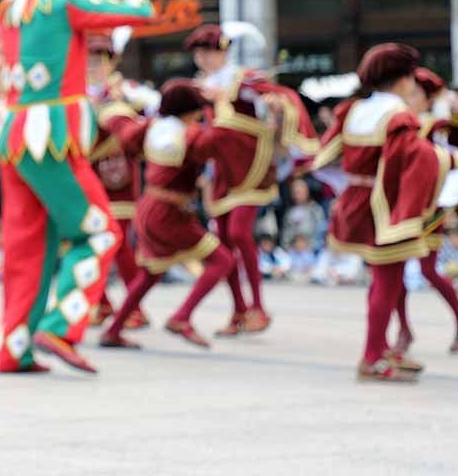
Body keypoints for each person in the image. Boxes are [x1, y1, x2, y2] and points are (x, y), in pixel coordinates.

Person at [0, 0, 152, 374]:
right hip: (52, 136)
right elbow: (136, 17)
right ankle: (59, 327)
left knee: (27, 245)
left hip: (13, 134)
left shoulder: (8, 6)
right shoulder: (63, 0)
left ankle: (13, 348)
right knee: (99, 232)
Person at [325, 44, 458, 383]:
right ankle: (373, 357)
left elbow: (326, 155)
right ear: (404, 79)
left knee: (384, 281)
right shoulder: (398, 115)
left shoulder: (353, 110)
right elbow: (420, 159)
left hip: (357, 201)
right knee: (388, 282)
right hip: (389, 208)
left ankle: (383, 347)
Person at [185, 24, 320, 337]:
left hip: (249, 167)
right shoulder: (200, 85)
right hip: (220, 170)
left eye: (211, 52)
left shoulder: (241, 78)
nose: (205, 59)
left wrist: (273, 105)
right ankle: (238, 311)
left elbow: (277, 97)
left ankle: (258, 306)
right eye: (200, 53)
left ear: (224, 52)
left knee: (238, 233)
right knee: (223, 241)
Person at [98, 80, 239, 350]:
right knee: (223, 260)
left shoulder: (151, 127)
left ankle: (114, 330)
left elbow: (124, 131)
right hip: (170, 212)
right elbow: (220, 139)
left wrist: (115, 105)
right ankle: (182, 316)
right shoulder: (189, 135)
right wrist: (222, 105)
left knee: (151, 273)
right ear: (190, 111)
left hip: (149, 206)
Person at [392, 67, 458, 356]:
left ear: (428, 98)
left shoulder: (436, 124)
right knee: (394, 269)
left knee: (427, 269)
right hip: (401, 203)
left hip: (429, 206)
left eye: (415, 93)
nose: (408, 97)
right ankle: (403, 329)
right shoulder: (399, 121)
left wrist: (457, 110)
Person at [88, 31, 152, 331]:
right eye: (87, 60)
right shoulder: (75, 93)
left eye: (99, 60)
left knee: (120, 243)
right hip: (86, 175)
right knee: (89, 241)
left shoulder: (126, 90)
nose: (92, 66)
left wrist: (123, 104)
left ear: (112, 62)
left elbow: (153, 109)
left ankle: (134, 306)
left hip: (118, 176)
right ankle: (101, 303)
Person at [281, 178, 326, 249]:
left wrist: (309, 244)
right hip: (293, 251)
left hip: (313, 250)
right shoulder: (289, 212)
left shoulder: (315, 209)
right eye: (294, 193)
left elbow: (321, 232)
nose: (297, 196)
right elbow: (286, 234)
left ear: (307, 192)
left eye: (299, 192)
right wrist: (291, 245)